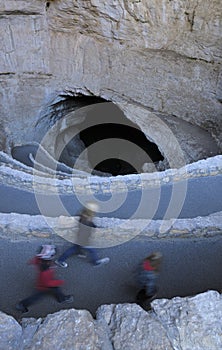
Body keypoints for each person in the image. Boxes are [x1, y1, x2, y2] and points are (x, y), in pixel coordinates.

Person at [16, 245, 73, 313]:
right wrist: (59, 282)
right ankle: (22, 304)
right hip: (43, 287)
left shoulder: (41, 262)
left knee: (56, 290)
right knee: (36, 297)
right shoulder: (46, 272)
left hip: (43, 283)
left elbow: (35, 260)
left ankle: (62, 298)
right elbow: (48, 283)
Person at [55, 202, 110, 268]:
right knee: (92, 250)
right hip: (83, 241)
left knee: (74, 249)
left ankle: (62, 259)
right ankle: (96, 261)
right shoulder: (87, 221)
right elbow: (87, 230)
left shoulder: (83, 216)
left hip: (80, 239)